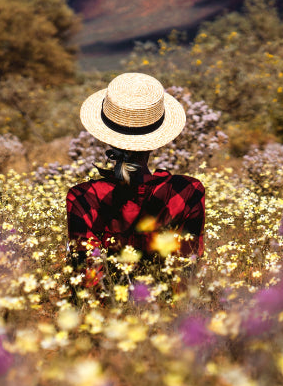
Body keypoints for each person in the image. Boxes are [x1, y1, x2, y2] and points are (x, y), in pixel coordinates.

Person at [67, 72, 205, 289]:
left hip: (107, 311)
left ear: (108, 139)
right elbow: (187, 267)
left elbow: (88, 275)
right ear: (154, 141)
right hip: (167, 310)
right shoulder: (187, 191)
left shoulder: (84, 197)